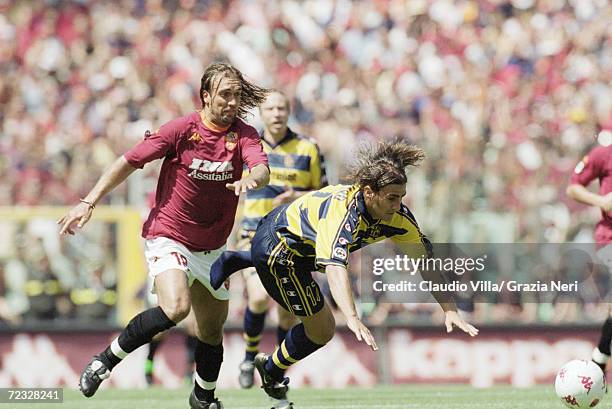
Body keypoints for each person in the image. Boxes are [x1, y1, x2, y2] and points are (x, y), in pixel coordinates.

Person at [57, 62, 270, 409]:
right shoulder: (181, 130)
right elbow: (128, 160)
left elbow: (260, 167)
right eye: (225, 95)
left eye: (237, 96)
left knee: (212, 331)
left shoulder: (244, 134)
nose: (232, 102)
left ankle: (203, 397)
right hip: (169, 234)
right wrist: (88, 201)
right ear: (205, 96)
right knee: (176, 308)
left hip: (213, 247)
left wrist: (253, 179)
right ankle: (104, 362)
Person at [210, 138, 479, 409]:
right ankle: (270, 369)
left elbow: (425, 264)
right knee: (323, 330)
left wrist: (449, 309)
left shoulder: (399, 219)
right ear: (369, 193)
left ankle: (241, 269)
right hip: (279, 247)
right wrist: (352, 316)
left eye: (401, 198)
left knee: (318, 324)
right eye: (391, 198)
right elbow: (335, 267)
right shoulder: (344, 215)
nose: (397, 206)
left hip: (304, 247)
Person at [236, 90, 327, 389]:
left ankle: (273, 366)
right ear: (261, 114)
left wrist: (297, 196)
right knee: (260, 297)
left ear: (289, 111)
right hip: (251, 234)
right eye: (270, 108)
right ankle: (250, 357)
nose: (276, 113)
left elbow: (324, 196)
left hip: (291, 242)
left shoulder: (308, 148)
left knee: (287, 314)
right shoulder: (248, 147)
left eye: (281, 107)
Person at [567, 135, 612, 373]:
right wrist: (602, 201)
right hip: (609, 238)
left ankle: (599, 359)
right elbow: (573, 186)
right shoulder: (603, 154)